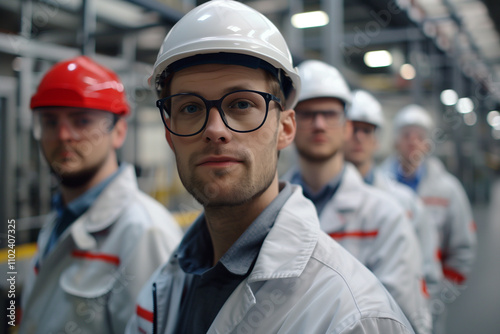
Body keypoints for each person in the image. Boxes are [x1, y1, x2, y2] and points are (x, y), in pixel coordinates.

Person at [126, 1, 415, 333]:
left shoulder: (352, 317)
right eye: (190, 107)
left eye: (242, 104)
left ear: (285, 129)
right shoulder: (160, 292)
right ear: (169, 135)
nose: (215, 129)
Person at [19, 56, 183, 334]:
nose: (63, 135)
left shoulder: (145, 232)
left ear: (118, 131)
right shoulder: (60, 219)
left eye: (81, 120)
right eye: (49, 121)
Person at [283, 60, 431, 334]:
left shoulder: (386, 215)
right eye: (306, 114)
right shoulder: (268, 213)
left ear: (345, 127)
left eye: (329, 114)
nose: (318, 124)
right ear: (288, 124)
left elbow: (403, 319)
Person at [380, 104, 477, 333]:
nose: (413, 141)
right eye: (406, 135)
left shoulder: (448, 190)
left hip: (429, 300)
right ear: (395, 141)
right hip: (382, 300)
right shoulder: (377, 187)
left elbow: (463, 247)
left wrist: (440, 295)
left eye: (420, 136)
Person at [344, 89, 442, 301]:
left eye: (367, 130)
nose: (359, 137)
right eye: (352, 128)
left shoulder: (405, 202)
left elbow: (427, 271)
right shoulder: (313, 200)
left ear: (377, 140)